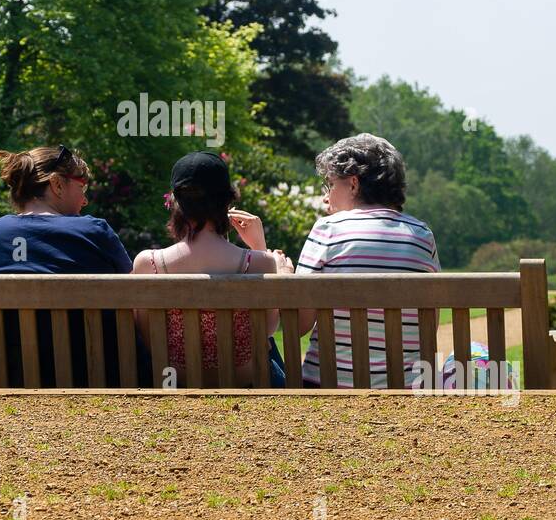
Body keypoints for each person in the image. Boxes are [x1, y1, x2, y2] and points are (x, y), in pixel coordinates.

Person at [0, 145, 139, 386]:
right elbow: (137, 306)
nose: (85, 200)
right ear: (56, 184)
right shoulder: (95, 232)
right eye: (81, 187)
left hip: (9, 388)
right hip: (94, 387)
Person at [291, 133, 443, 388]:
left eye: (330, 184)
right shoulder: (422, 235)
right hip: (407, 390)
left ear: (353, 184)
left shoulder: (327, 230)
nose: (326, 196)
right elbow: (429, 327)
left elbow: (298, 324)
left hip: (328, 387)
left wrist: (284, 274)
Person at [131, 152, 293, 387]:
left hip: (175, 384)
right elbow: (267, 331)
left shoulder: (148, 263)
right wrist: (269, 259)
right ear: (227, 202)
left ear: (175, 203)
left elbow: (149, 340)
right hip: (245, 384)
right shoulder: (259, 263)